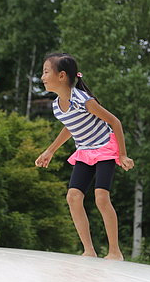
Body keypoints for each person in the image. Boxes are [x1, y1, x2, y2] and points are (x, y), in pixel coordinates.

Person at [35, 53, 134, 260]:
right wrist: (50, 150)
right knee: (73, 197)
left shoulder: (83, 99)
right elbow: (70, 128)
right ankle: (89, 250)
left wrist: (122, 155)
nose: (42, 77)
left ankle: (115, 251)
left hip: (105, 147)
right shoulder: (57, 106)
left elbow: (115, 122)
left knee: (101, 198)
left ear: (61, 76)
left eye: (45, 72)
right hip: (85, 151)